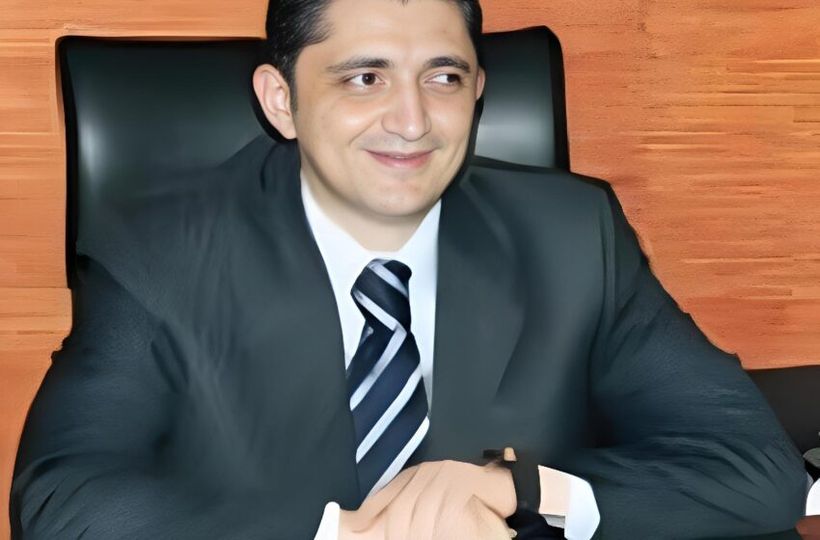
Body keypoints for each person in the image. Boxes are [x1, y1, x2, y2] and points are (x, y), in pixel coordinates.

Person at [10, 0, 808, 538]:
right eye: (365, 78)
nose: (413, 120)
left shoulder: (572, 235)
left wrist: (521, 489)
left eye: (443, 77)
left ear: (478, 92)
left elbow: (756, 469)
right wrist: (342, 532)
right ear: (282, 101)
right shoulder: (160, 254)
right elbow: (63, 499)